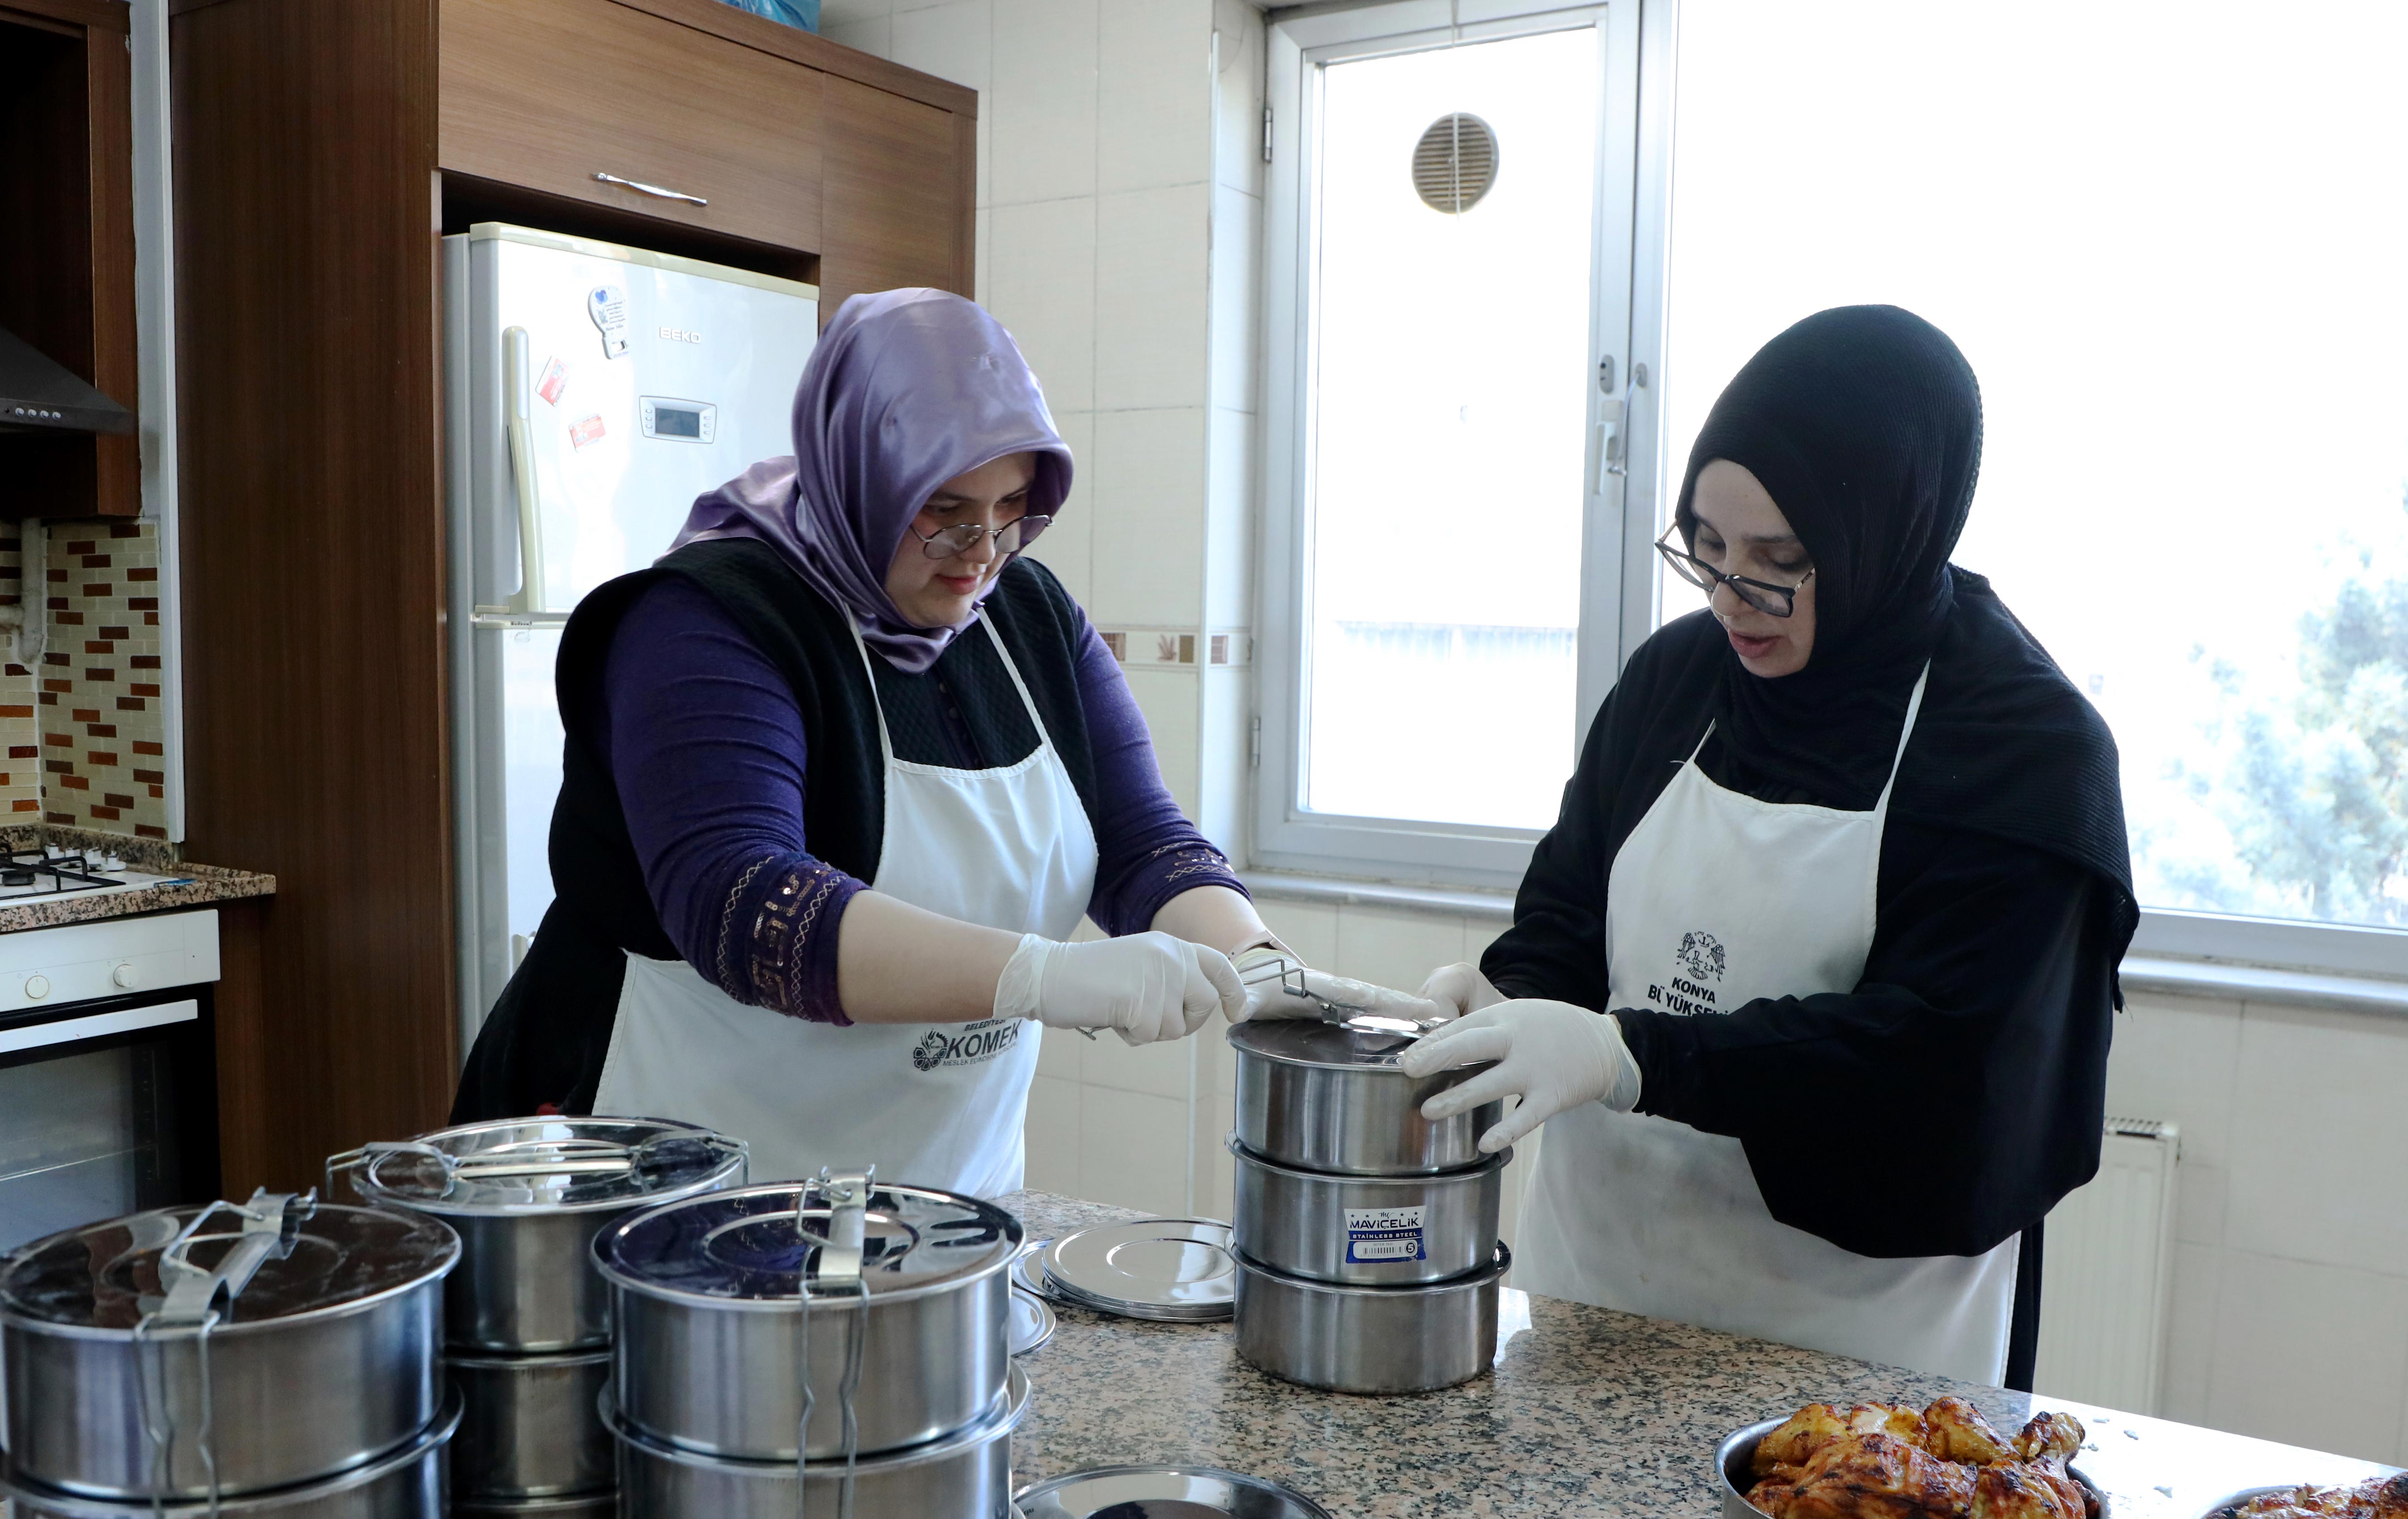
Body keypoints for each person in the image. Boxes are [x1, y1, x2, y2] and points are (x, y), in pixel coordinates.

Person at [454, 289, 1424, 1193]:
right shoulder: (705, 624)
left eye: (1012, 513)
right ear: (859, 476)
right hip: (681, 1176)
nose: (982, 557)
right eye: (946, 514)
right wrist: (1040, 975)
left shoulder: (1027, 617)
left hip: (935, 1201)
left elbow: (1142, 839)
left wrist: (1254, 960)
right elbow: (745, 904)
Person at [1399, 306, 2136, 1388]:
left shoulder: (2018, 749)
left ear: (1887, 531)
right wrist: (1509, 999)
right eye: (1706, 545)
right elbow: (1568, 905)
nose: (1731, 595)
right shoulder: (1677, 681)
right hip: (1601, 1291)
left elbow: (1937, 1068)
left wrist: (1633, 1056)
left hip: (1854, 1357)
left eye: (1781, 559)